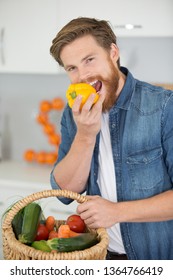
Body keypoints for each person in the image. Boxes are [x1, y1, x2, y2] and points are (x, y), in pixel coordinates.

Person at [49, 17, 173, 260]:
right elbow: (64, 193)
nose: (82, 75)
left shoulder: (163, 107)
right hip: (101, 256)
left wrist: (117, 212)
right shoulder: (73, 112)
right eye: (71, 68)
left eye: (89, 60)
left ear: (113, 52)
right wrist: (85, 135)